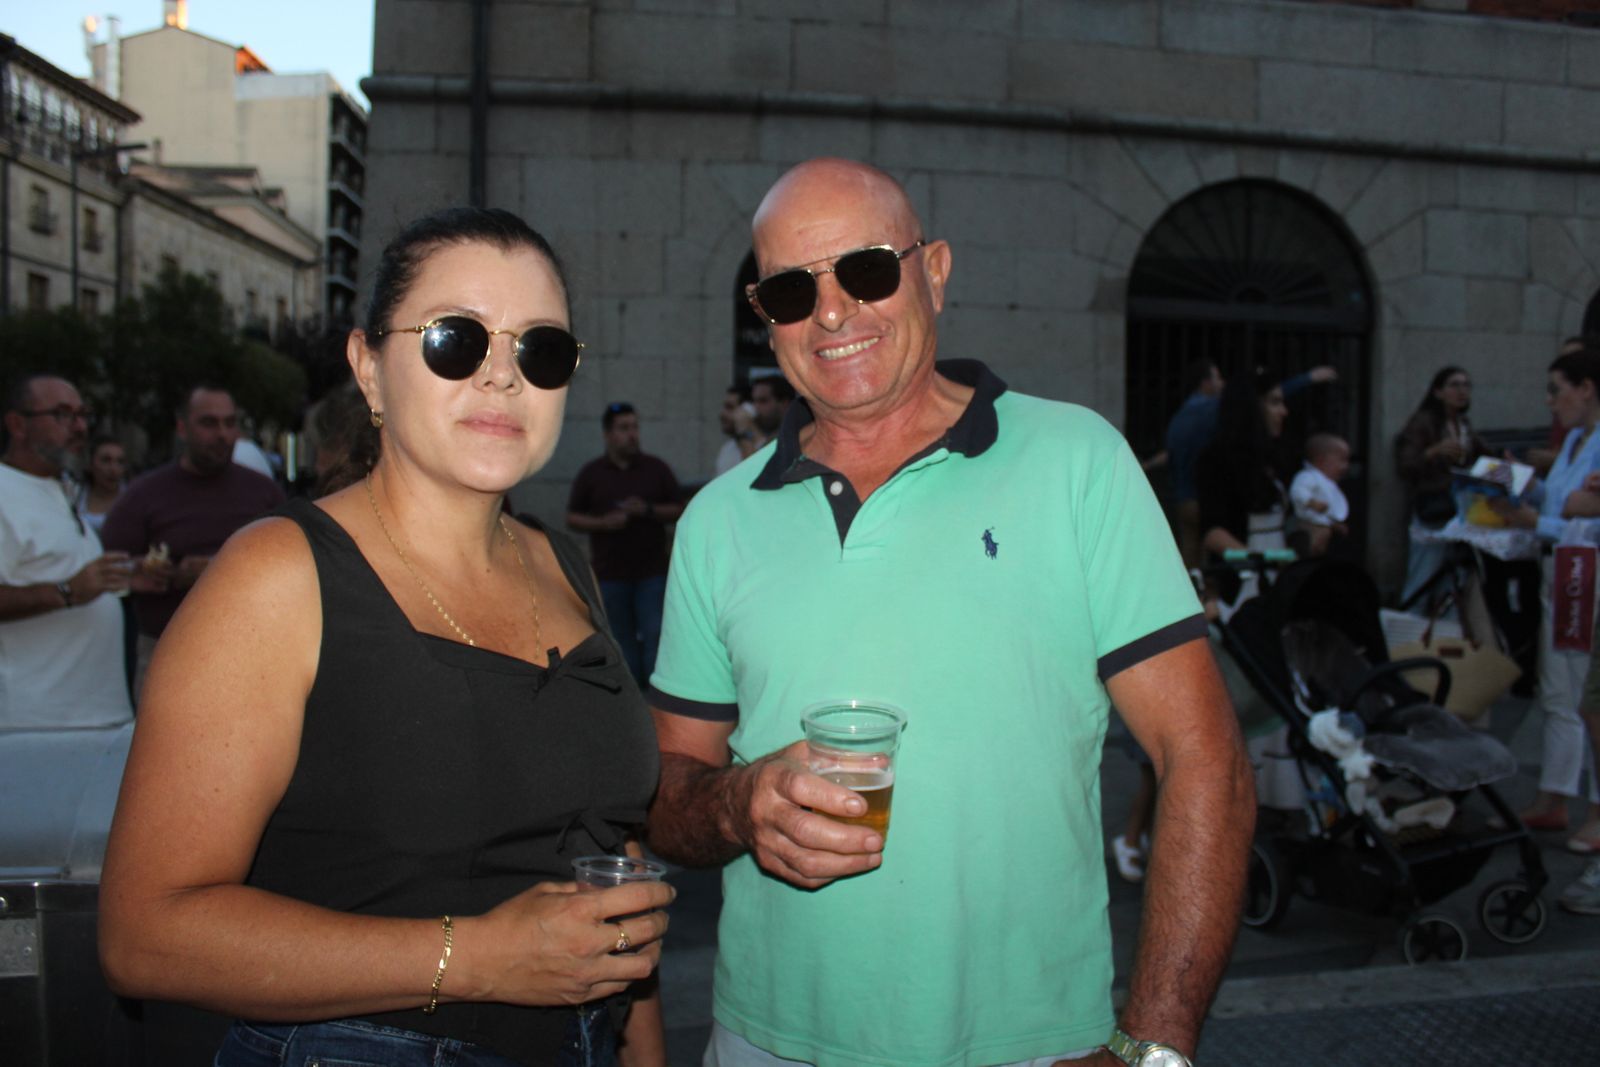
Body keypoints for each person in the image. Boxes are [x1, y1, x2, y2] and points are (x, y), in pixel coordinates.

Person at [644, 158, 1253, 1067]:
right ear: (762, 315)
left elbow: (1204, 756)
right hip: (768, 1043)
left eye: (867, 270)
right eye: (789, 290)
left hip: (1029, 1046)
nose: (834, 313)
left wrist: (1154, 1046)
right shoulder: (715, 521)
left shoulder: (1076, 462)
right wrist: (738, 805)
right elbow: (667, 794)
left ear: (934, 271)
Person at [98, 206, 671, 1067]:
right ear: (369, 366)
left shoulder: (563, 564)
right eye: (457, 340)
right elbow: (146, 931)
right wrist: (480, 958)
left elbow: (608, 850)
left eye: (540, 349)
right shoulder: (278, 578)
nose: (503, 378)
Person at [100, 384, 286, 693]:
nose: (222, 434)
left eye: (229, 423)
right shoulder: (143, 495)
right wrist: (147, 570)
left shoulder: (263, 492)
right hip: (166, 653)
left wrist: (218, 570)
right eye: (209, 423)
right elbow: (106, 568)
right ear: (182, 428)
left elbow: (296, 564)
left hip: (254, 655)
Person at [1491, 345, 1600, 838]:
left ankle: (1596, 812)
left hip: (1587, 576)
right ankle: (1552, 797)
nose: (1551, 402)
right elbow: (1562, 502)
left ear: (1586, 388)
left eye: (1557, 391)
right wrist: (1513, 479)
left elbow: (1587, 516)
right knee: (1557, 689)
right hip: (1559, 570)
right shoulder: (1577, 439)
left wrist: (1542, 519)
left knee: (1588, 698)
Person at [0, 374, 134, 728]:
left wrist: (131, 576)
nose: (78, 427)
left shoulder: (61, 488)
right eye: (62, 415)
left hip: (97, 716)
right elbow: (72, 585)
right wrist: (68, 592)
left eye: (82, 415)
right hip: (34, 724)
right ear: (17, 424)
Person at [566, 403, 684, 684]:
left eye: (635, 427)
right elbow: (571, 517)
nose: (632, 434)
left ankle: (658, 699)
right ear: (608, 435)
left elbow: (681, 508)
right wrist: (602, 523)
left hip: (651, 574)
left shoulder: (655, 469)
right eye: (624, 428)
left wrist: (647, 510)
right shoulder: (592, 473)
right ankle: (633, 702)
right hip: (610, 576)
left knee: (656, 636)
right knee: (621, 642)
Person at [1394, 366, 1490, 605]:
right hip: (1434, 508)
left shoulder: (1463, 424)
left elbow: (1483, 459)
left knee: (1452, 580)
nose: (1462, 391)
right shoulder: (1424, 422)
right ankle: (1408, 633)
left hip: (1460, 510)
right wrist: (1432, 452)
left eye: (1466, 385)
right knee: (1423, 573)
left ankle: (1445, 635)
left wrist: (1510, 470)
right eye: (1454, 385)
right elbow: (1405, 465)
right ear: (1438, 392)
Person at [1289, 433, 1351, 558]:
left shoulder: (1326, 483)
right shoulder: (1308, 477)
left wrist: (1334, 524)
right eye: (1342, 460)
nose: (1346, 467)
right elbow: (1297, 492)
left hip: (1324, 531)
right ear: (1321, 460)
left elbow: (1325, 512)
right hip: (1309, 529)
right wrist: (1312, 502)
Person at [76, 435, 128, 534]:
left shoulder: (132, 500)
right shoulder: (75, 496)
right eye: (106, 460)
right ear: (90, 464)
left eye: (120, 462)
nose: (114, 469)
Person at [713, 382, 755, 478]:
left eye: (730, 407)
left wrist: (744, 430)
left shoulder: (765, 447)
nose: (722, 414)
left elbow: (751, 475)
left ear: (749, 410)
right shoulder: (727, 449)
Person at [749, 375, 794, 441]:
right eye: (753, 401)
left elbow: (766, 450)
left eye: (763, 401)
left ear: (784, 403)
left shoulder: (796, 436)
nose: (756, 407)